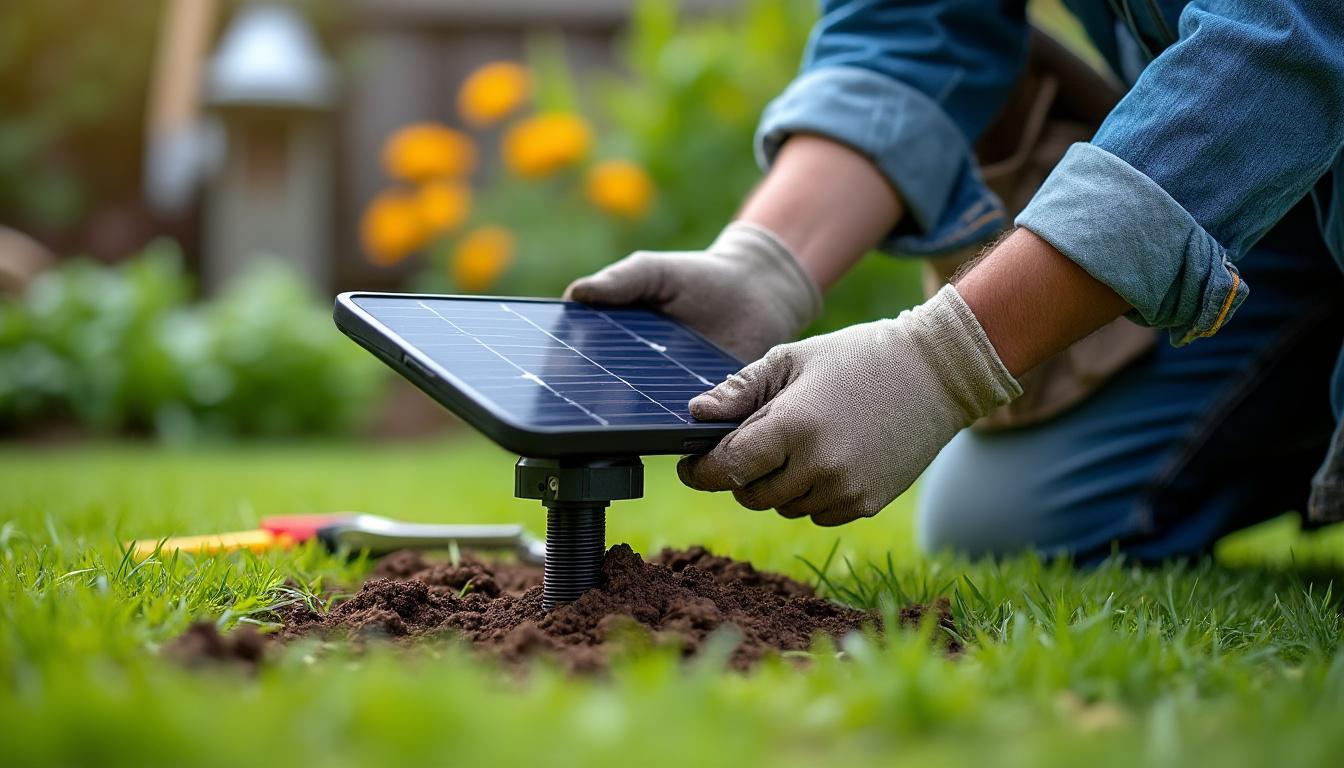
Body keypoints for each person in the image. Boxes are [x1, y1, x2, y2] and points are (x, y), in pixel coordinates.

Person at [565, 1, 1344, 562]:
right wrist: (764, 265)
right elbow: (912, 23)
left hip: (1274, 130)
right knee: (1002, 524)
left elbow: (1286, 42)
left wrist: (942, 360)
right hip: (1274, 216)